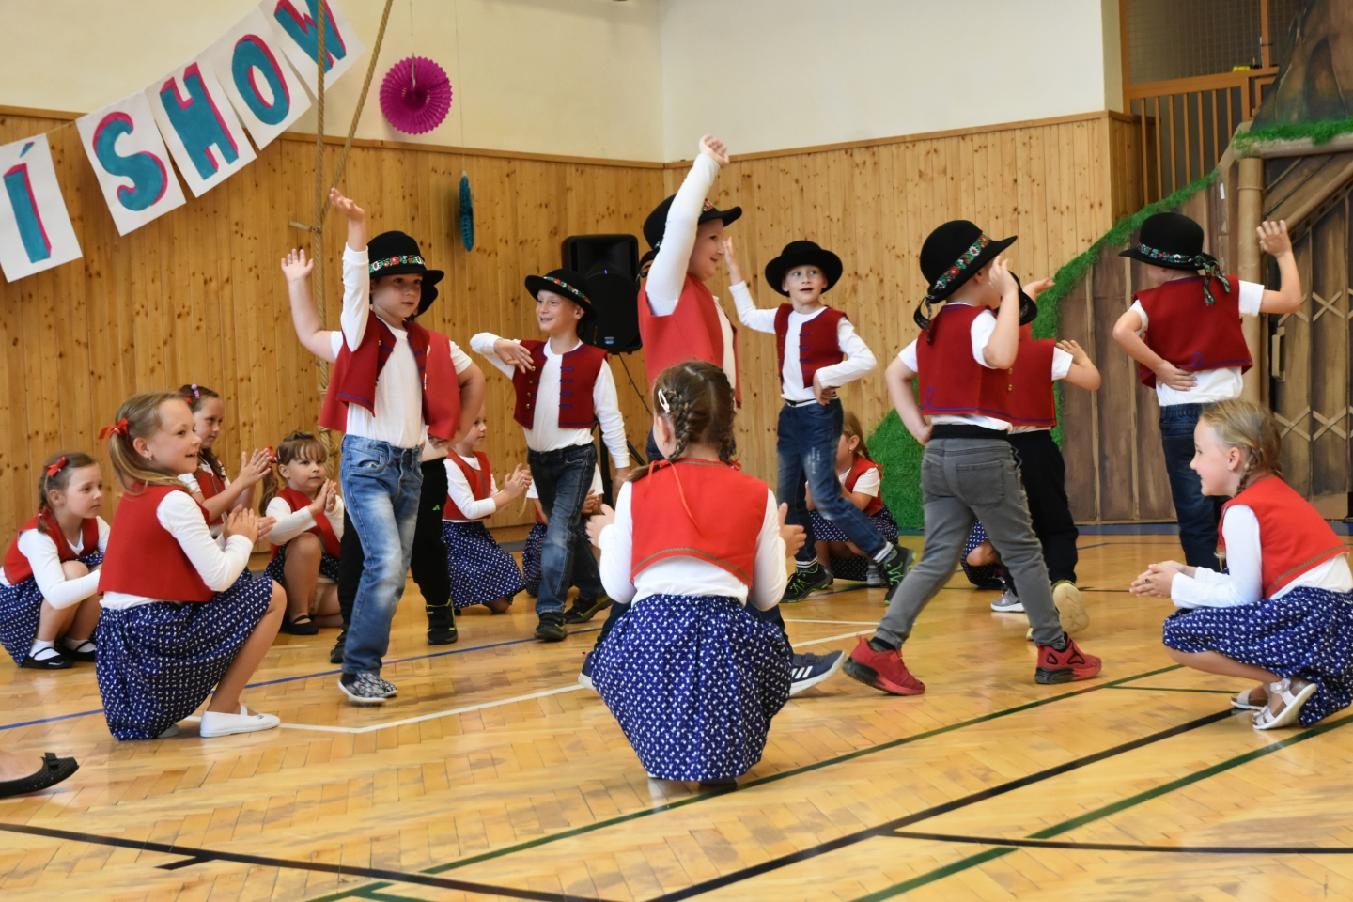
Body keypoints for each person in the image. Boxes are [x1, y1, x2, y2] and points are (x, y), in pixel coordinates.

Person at [1131, 399, 1353, 730]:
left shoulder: (1242, 510)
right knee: (1207, 613)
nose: (1193, 463)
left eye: (1200, 452)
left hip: (1312, 621)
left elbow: (1243, 598)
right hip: (1334, 623)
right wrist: (1190, 574)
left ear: (1233, 457)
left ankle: (1283, 683)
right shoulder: (1271, 491)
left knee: (1178, 632)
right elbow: (1251, 584)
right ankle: (1279, 681)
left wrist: (1176, 587)